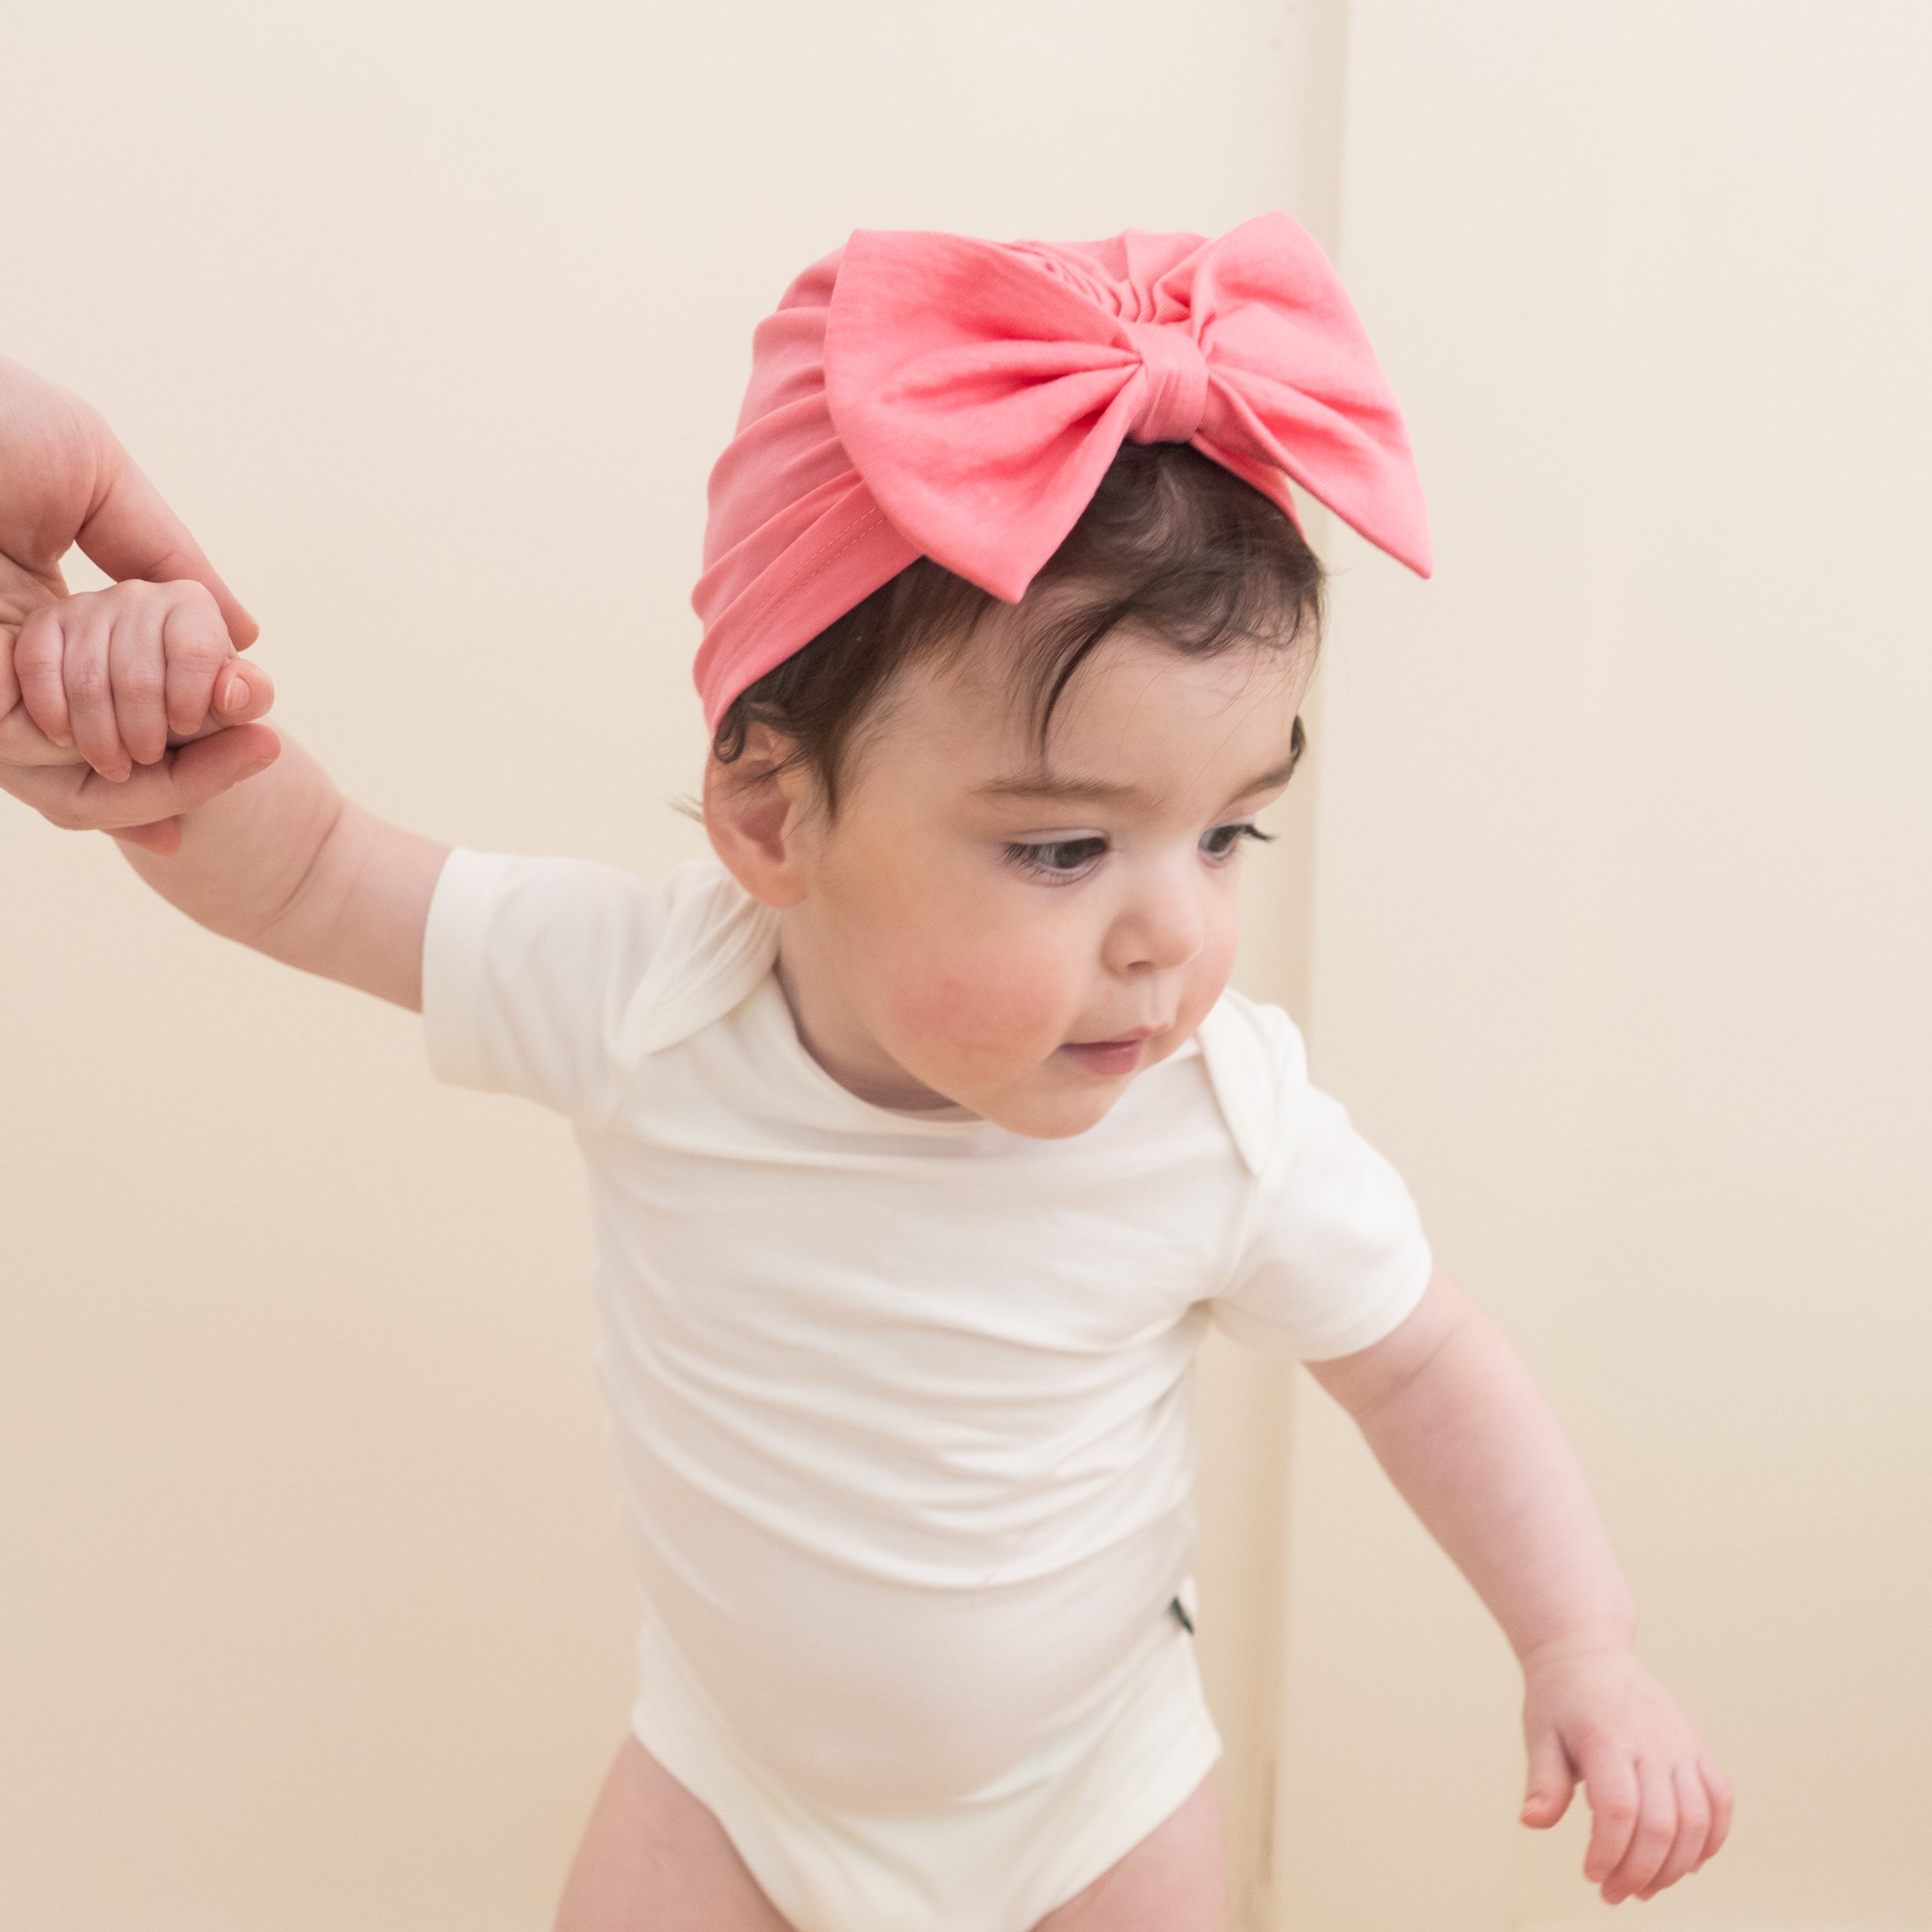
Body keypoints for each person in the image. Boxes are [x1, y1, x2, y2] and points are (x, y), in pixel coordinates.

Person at [0, 217, 1731, 1932]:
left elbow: (1422, 1362)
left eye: (1226, 835)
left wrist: (1581, 1640)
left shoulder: (1221, 1126)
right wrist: (156, 737)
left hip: (1096, 1796)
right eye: (1063, 850)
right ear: (775, 817)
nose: (1170, 939)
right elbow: (310, 875)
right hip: (731, 1789)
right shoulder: (649, 1002)